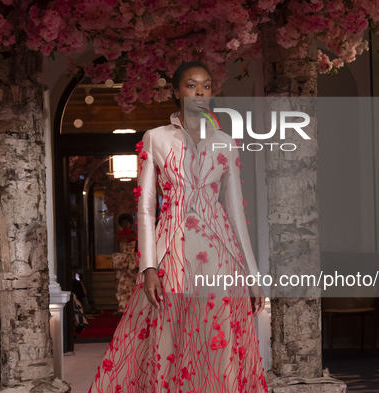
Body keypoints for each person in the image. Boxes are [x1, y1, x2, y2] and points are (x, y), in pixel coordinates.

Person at [89, 61, 267, 392]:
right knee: (172, 341)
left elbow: (236, 214)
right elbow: (144, 209)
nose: (199, 92)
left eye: (206, 85)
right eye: (191, 85)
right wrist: (148, 267)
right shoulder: (156, 138)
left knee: (219, 340)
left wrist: (253, 276)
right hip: (173, 251)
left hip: (221, 255)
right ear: (176, 91)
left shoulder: (226, 142)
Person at [112, 213, 138, 314]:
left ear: (130, 223)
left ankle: (131, 306)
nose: (125, 224)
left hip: (130, 261)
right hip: (122, 262)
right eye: (123, 222)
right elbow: (117, 248)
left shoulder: (134, 234)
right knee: (121, 284)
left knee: (132, 283)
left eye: (127, 222)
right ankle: (123, 307)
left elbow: (136, 248)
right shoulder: (119, 235)